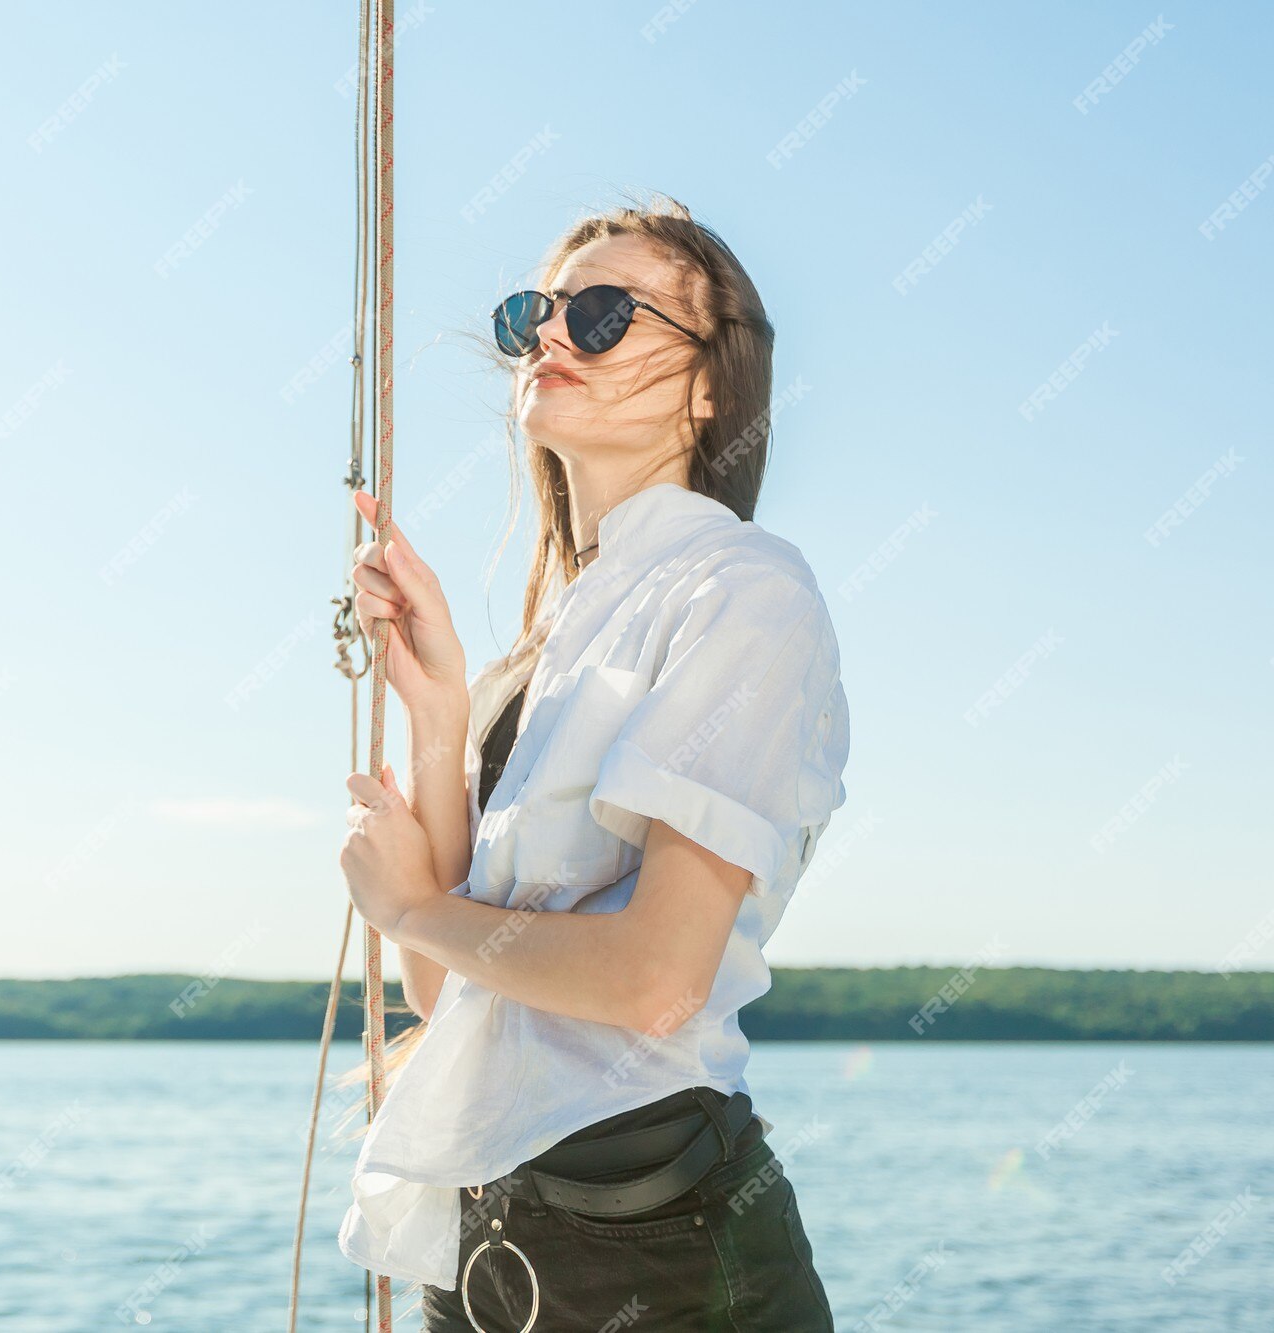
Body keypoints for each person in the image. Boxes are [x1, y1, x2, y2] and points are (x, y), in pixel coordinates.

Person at [335, 196, 848, 1331]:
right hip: (492, 1247)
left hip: (665, 1260)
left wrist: (415, 906)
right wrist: (439, 714)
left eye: (606, 312)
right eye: (536, 314)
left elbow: (653, 979)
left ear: (708, 386)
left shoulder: (742, 591)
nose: (551, 337)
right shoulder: (551, 640)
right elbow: (449, 991)